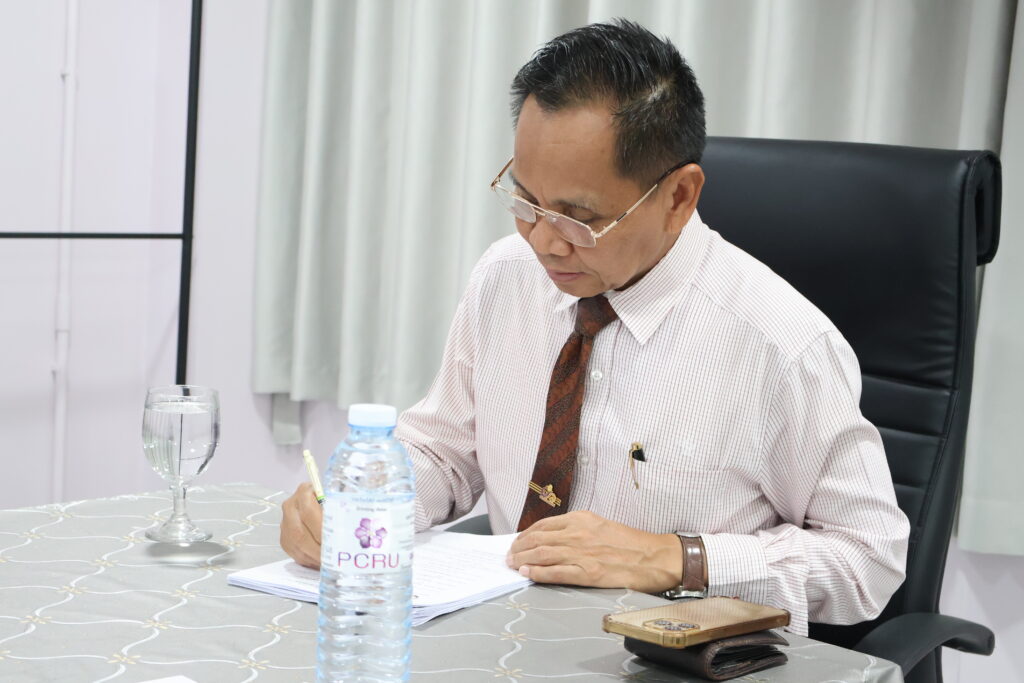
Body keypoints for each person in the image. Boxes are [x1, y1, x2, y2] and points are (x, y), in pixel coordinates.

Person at [279, 19, 909, 635]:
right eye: (526, 201)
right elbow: (446, 451)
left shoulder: (780, 344)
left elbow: (869, 561)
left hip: (669, 661)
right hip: (509, 638)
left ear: (679, 197)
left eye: (578, 217)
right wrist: (365, 499)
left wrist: (675, 558)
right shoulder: (506, 277)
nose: (544, 242)